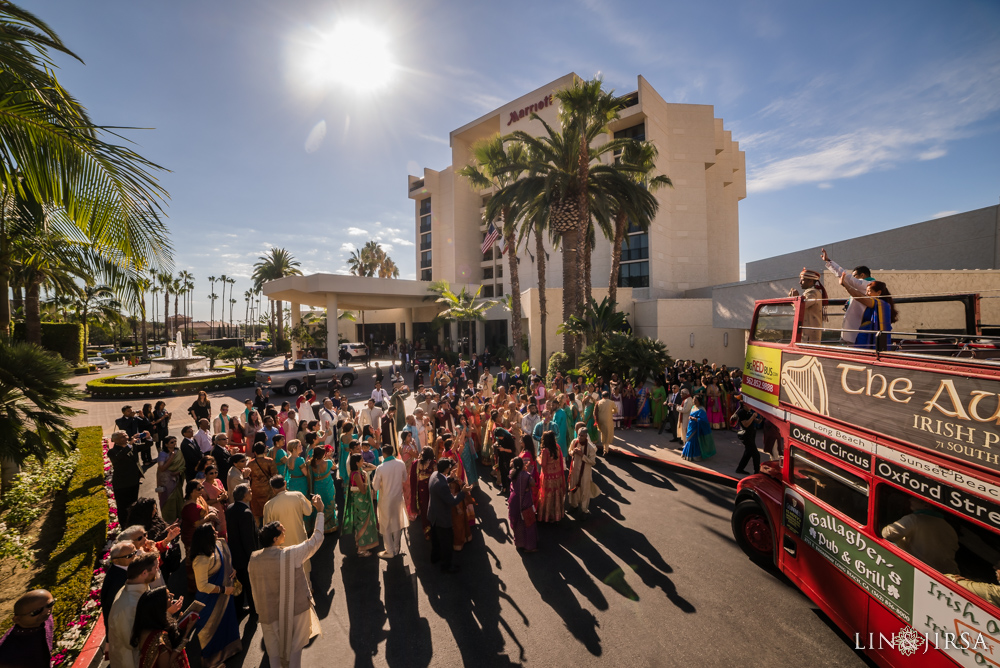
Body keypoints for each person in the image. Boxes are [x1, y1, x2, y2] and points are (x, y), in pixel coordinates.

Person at [249, 495, 326, 668]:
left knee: (274, 654)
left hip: (268, 613)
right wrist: (320, 512)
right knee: (294, 651)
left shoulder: (254, 559)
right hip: (295, 609)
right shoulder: (291, 555)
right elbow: (316, 539)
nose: (285, 530)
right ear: (275, 539)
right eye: (281, 529)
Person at [190, 524, 242, 667]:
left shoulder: (218, 544)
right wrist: (224, 590)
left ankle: (229, 651)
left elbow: (226, 562)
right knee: (210, 629)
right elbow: (202, 586)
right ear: (205, 537)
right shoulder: (200, 559)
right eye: (213, 532)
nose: (216, 533)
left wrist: (232, 571)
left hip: (224, 596)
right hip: (210, 600)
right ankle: (212, 661)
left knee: (226, 623)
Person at [881, 497, 959, 574]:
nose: (910, 499)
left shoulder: (914, 519)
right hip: (947, 574)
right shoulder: (949, 528)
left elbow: (887, 534)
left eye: (915, 498)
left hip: (923, 572)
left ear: (926, 505)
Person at [108, 550, 159, 668]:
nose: (157, 570)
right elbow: (133, 643)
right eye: (156, 567)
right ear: (145, 573)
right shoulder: (130, 605)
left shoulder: (136, 587)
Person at [263, 475, 315, 575]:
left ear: (272, 489)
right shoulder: (298, 495)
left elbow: (267, 527)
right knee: (303, 566)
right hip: (300, 538)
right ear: (285, 483)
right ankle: (309, 588)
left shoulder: (268, 505)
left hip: (281, 544)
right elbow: (308, 511)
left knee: (287, 572)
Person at [822, 248, 875, 345]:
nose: (853, 278)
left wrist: (828, 261)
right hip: (855, 327)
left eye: (855, 276)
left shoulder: (868, 284)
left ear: (862, 275)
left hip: (859, 327)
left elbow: (846, 277)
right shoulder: (865, 285)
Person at [427, 458, 471, 573]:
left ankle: (435, 558)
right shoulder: (442, 485)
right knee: (446, 543)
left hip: (433, 514)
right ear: (446, 469)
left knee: (435, 539)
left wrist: (450, 478)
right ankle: (446, 566)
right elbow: (452, 501)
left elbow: (442, 480)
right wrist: (463, 492)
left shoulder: (434, 475)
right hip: (442, 517)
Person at [130, 587, 189, 668]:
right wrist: (185, 636)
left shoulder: (144, 627)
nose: (172, 595)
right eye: (168, 596)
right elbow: (167, 665)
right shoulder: (160, 638)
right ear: (159, 607)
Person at [225, 484, 259, 617]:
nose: (251, 492)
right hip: (245, 557)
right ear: (245, 496)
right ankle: (254, 611)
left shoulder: (230, 508)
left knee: (240, 585)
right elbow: (248, 539)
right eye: (249, 491)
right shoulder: (246, 513)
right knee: (250, 586)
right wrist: (254, 557)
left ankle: (238, 611)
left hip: (234, 554)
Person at [0, 589, 55, 668]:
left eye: (50, 604)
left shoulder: (45, 618)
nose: (47, 611)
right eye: (36, 612)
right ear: (17, 619)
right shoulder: (7, 652)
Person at [372, 444, 408, 558]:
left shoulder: (381, 468)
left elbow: (375, 487)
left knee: (385, 525)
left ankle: (389, 550)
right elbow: (405, 478)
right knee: (397, 523)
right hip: (398, 498)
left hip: (385, 500)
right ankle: (396, 548)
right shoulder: (400, 463)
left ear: (383, 454)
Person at [843, 278, 897, 350]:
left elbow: (859, 298)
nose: (866, 294)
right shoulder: (880, 304)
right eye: (866, 291)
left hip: (869, 335)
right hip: (864, 333)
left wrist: (845, 285)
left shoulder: (880, 303)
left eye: (869, 291)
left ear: (878, 293)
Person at [343, 453, 379, 556]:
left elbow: (373, 467)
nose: (363, 461)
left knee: (362, 522)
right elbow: (363, 490)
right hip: (361, 502)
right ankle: (361, 549)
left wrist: (365, 467)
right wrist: (367, 480)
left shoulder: (359, 471)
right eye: (361, 460)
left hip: (362, 501)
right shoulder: (357, 474)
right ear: (357, 463)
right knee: (362, 522)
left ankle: (360, 544)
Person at [101, 540, 136, 630]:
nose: (135, 556)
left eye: (135, 552)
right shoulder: (117, 582)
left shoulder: (125, 568)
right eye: (130, 556)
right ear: (116, 560)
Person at [109, 430, 145, 515]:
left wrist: (148, 437)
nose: (127, 438)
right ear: (116, 440)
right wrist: (130, 445)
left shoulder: (131, 446)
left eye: (126, 436)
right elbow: (119, 457)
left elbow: (146, 445)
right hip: (122, 484)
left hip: (134, 481)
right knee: (123, 507)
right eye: (123, 437)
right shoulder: (112, 452)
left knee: (134, 503)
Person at [788, 268, 828, 343]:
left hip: (809, 335)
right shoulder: (811, 292)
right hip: (809, 333)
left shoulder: (812, 293)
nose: (800, 282)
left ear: (810, 281)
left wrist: (794, 298)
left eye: (802, 280)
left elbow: (800, 307)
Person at [567, 427, 600, 515]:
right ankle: (574, 505)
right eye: (579, 435)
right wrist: (573, 452)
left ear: (586, 436)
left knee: (584, 491)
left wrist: (582, 455)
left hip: (585, 472)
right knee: (573, 487)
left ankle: (584, 509)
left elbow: (593, 462)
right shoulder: (574, 442)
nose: (580, 437)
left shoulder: (590, 447)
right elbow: (569, 451)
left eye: (582, 436)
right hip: (574, 470)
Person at [507, 457, 537, 552]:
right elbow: (533, 483)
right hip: (525, 501)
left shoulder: (512, 473)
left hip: (514, 500)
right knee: (528, 523)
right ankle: (529, 547)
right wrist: (528, 472)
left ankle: (519, 543)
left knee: (518, 523)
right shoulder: (525, 475)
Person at [537, 431, 566, 523]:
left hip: (548, 478)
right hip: (557, 476)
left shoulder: (545, 451)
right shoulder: (557, 447)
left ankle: (547, 516)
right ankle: (557, 515)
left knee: (548, 496)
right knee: (556, 496)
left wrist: (537, 458)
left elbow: (543, 464)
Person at [156, 436, 186, 524]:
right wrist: (171, 457)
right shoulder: (163, 454)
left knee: (178, 497)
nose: (174, 444)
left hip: (176, 479)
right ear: (166, 444)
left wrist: (179, 471)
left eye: (175, 442)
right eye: (171, 442)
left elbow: (182, 465)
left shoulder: (178, 452)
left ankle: (180, 517)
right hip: (166, 481)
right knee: (168, 499)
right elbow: (161, 468)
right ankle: (169, 520)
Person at [307, 446, 338, 533]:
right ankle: (330, 526)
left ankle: (319, 525)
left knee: (319, 504)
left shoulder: (311, 463)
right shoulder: (328, 462)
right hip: (327, 485)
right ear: (323, 454)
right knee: (329, 502)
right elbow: (334, 468)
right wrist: (330, 458)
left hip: (317, 486)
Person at [247, 442, 277, 522]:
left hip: (255, 489)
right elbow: (275, 475)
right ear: (264, 450)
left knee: (256, 512)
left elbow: (249, 477)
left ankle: (257, 531)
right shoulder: (269, 461)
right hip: (268, 489)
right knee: (269, 511)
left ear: (255, 452)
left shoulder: (250, 463)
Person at [681, 396, 714, 462]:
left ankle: (695, 456)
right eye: (693, 400)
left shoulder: (701, 409)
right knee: (688, 440)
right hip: (691, 427)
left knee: (693, 441)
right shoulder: (693, 407)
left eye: (695, 400)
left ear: (699, 401)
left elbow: (703, 420)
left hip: (696, 429)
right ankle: (686, 454)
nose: (693, 401)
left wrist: (693, 418)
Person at [733, 403, 761, 474]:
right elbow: (746, 424)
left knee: (748, 453)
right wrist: (752, 416)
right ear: (744, 405)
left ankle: (740, 469)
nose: (750, 407)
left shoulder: (750, 411)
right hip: (746, 436)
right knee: (756, 454)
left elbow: (757, 421)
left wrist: (761, 417)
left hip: (751, 435)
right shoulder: (741, 412)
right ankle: (757, 472)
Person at [594, 392, 617, 456]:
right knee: (608, 434)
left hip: (600, 420)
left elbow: (595, 412)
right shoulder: (611, 402)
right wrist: (611, 411)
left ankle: (605, 448)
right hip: (608, 420)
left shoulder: (598, 402)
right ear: (608, 396)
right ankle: (605, 450)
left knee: (603, 433)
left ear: (602, 396)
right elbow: (616, 410)